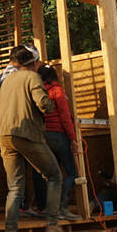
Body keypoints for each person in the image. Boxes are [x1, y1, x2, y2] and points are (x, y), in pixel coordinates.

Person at [0, 45, 66, 232]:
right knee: (54, 176)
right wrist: (51, 103)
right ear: (33, 63)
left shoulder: (7, 79)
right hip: (26, 133)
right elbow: (43, 103)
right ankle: (52, 226)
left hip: (4, 135)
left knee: (15, 187)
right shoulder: (32, 78)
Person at [37, 65, 81, 221]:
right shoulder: (57, 90)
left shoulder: (40, 91)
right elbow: (64, 116)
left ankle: (50, 209)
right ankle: (62, 208)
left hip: (44, 135)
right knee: (71, 172)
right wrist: (73, 138)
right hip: (58, 135)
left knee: (52, 175)